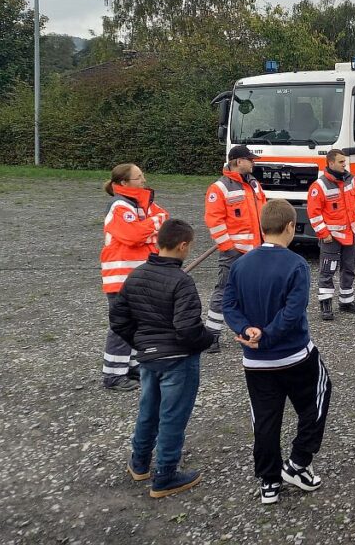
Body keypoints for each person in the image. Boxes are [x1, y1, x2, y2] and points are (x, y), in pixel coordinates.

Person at [222, 199, 333, 505]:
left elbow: (228, 305)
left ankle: (269, 481)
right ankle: (298, 462)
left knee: (265, 419)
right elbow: (293, 311)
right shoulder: (296, 265)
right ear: (290, 227)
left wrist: (247, 330)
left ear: (261, 227)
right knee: (318, 398)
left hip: (255, 361)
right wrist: (268, 335)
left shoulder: (240, 264)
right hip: (294, 355)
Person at [109, 219, 213, 498]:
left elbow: (118, 319)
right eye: (190, 246)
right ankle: (165, 474)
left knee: (148, 410)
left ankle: (139, 462)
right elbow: (188, 329)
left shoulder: (136, 275)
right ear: (182, 246)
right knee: (172, 417)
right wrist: (208, 338)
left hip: (149, 359)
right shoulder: (182, 282)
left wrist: (142, 343)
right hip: (178, 360)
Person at [100, 163, 168, 391]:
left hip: (137, 275)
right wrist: (152, 229)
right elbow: (133, 235)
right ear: (124, 183)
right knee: (122, 326)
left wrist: (148, 231)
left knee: (136, 324)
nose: (143, 180)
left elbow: (164, 218)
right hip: (121, 276)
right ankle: (113, 375)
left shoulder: (141, 203)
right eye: (138, 177)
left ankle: (130, 366)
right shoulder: (119, 206)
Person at [204, 144, 266, 350]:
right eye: (250, 159)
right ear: (239, 162)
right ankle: (211, 335)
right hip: (234, 252)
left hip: (255, 251)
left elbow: (263, 212)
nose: (253, 163)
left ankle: (248, 332)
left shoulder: (254, 184)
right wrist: (228, 247)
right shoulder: (219, 188)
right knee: (223, 292)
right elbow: (214, 221)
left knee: (251, 293)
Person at [307, 148, 355, 320]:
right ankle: (325, 304)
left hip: (350, 233)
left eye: (344, 161)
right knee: (327, 270)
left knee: (349, 267)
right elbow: (314, 213)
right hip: (331, 236)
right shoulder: (320, 186)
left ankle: (346, 301)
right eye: (341, 162)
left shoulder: (350, 180)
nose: (344, 164)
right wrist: (324, 233)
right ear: (331, 163)